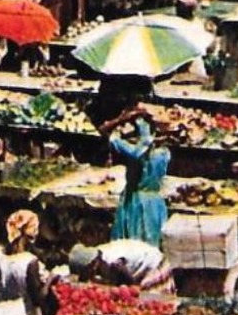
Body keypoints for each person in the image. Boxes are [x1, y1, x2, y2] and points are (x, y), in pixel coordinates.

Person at [105, 111, 170, 247]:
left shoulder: (132, 153)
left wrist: (120, 119)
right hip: (155, 201)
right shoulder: (164, 153)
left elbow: (108, 134)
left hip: (136, 202)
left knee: (134, 238)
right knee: (154, 238)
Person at [67, 240, 176, 291]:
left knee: (149, 299)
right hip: (139, 269)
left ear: (92, 266)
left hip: (156, 263)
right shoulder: (99, 255)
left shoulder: (113, 262)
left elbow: (129, 284)